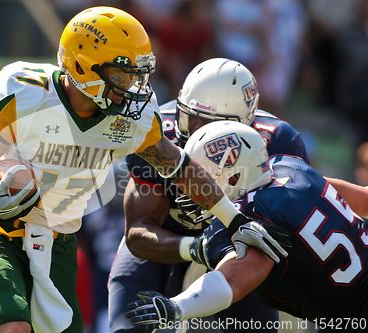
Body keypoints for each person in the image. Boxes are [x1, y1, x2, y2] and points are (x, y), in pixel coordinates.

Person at [0, 8, 257, 333]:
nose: (134, 87)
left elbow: (179, 167)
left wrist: (233, 219)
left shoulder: (131, 119)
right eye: (123, 76)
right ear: (82, 67)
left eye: (138, 75)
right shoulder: (24, 93)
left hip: (57, 242)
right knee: (14, 327)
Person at [108, 57, 309, 332]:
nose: (192, 132)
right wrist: (196, 247)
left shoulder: (279, 143)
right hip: (166, 242)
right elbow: (139, 233)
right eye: (188, 117)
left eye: (206, 125)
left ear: (242, 126)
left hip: (238, 251)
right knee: (128, 325)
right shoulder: (158, 134)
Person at [126, 121, 368, 331]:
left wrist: (177, 306)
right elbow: (363, 200)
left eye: (202, 179)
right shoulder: (290, 166)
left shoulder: (256, 214)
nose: (194, 191)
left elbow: (233, 281)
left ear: (232, 176)